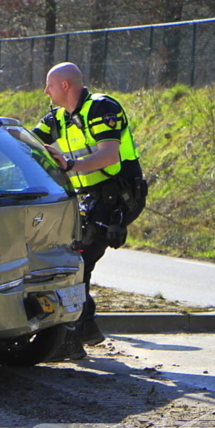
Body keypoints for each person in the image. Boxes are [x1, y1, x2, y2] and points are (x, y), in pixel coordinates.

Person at [32, 62, 146, 357]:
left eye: (50, 85)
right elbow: (29, 142)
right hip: (88, 198)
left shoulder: (101, 108)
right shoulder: (58, 117)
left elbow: (109, 155)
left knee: (78, 263)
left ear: (66, 86)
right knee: (75, 262)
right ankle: (87, 328)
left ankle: (73, 341)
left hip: (116, 197)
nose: (46, 91)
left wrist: (70, 166)